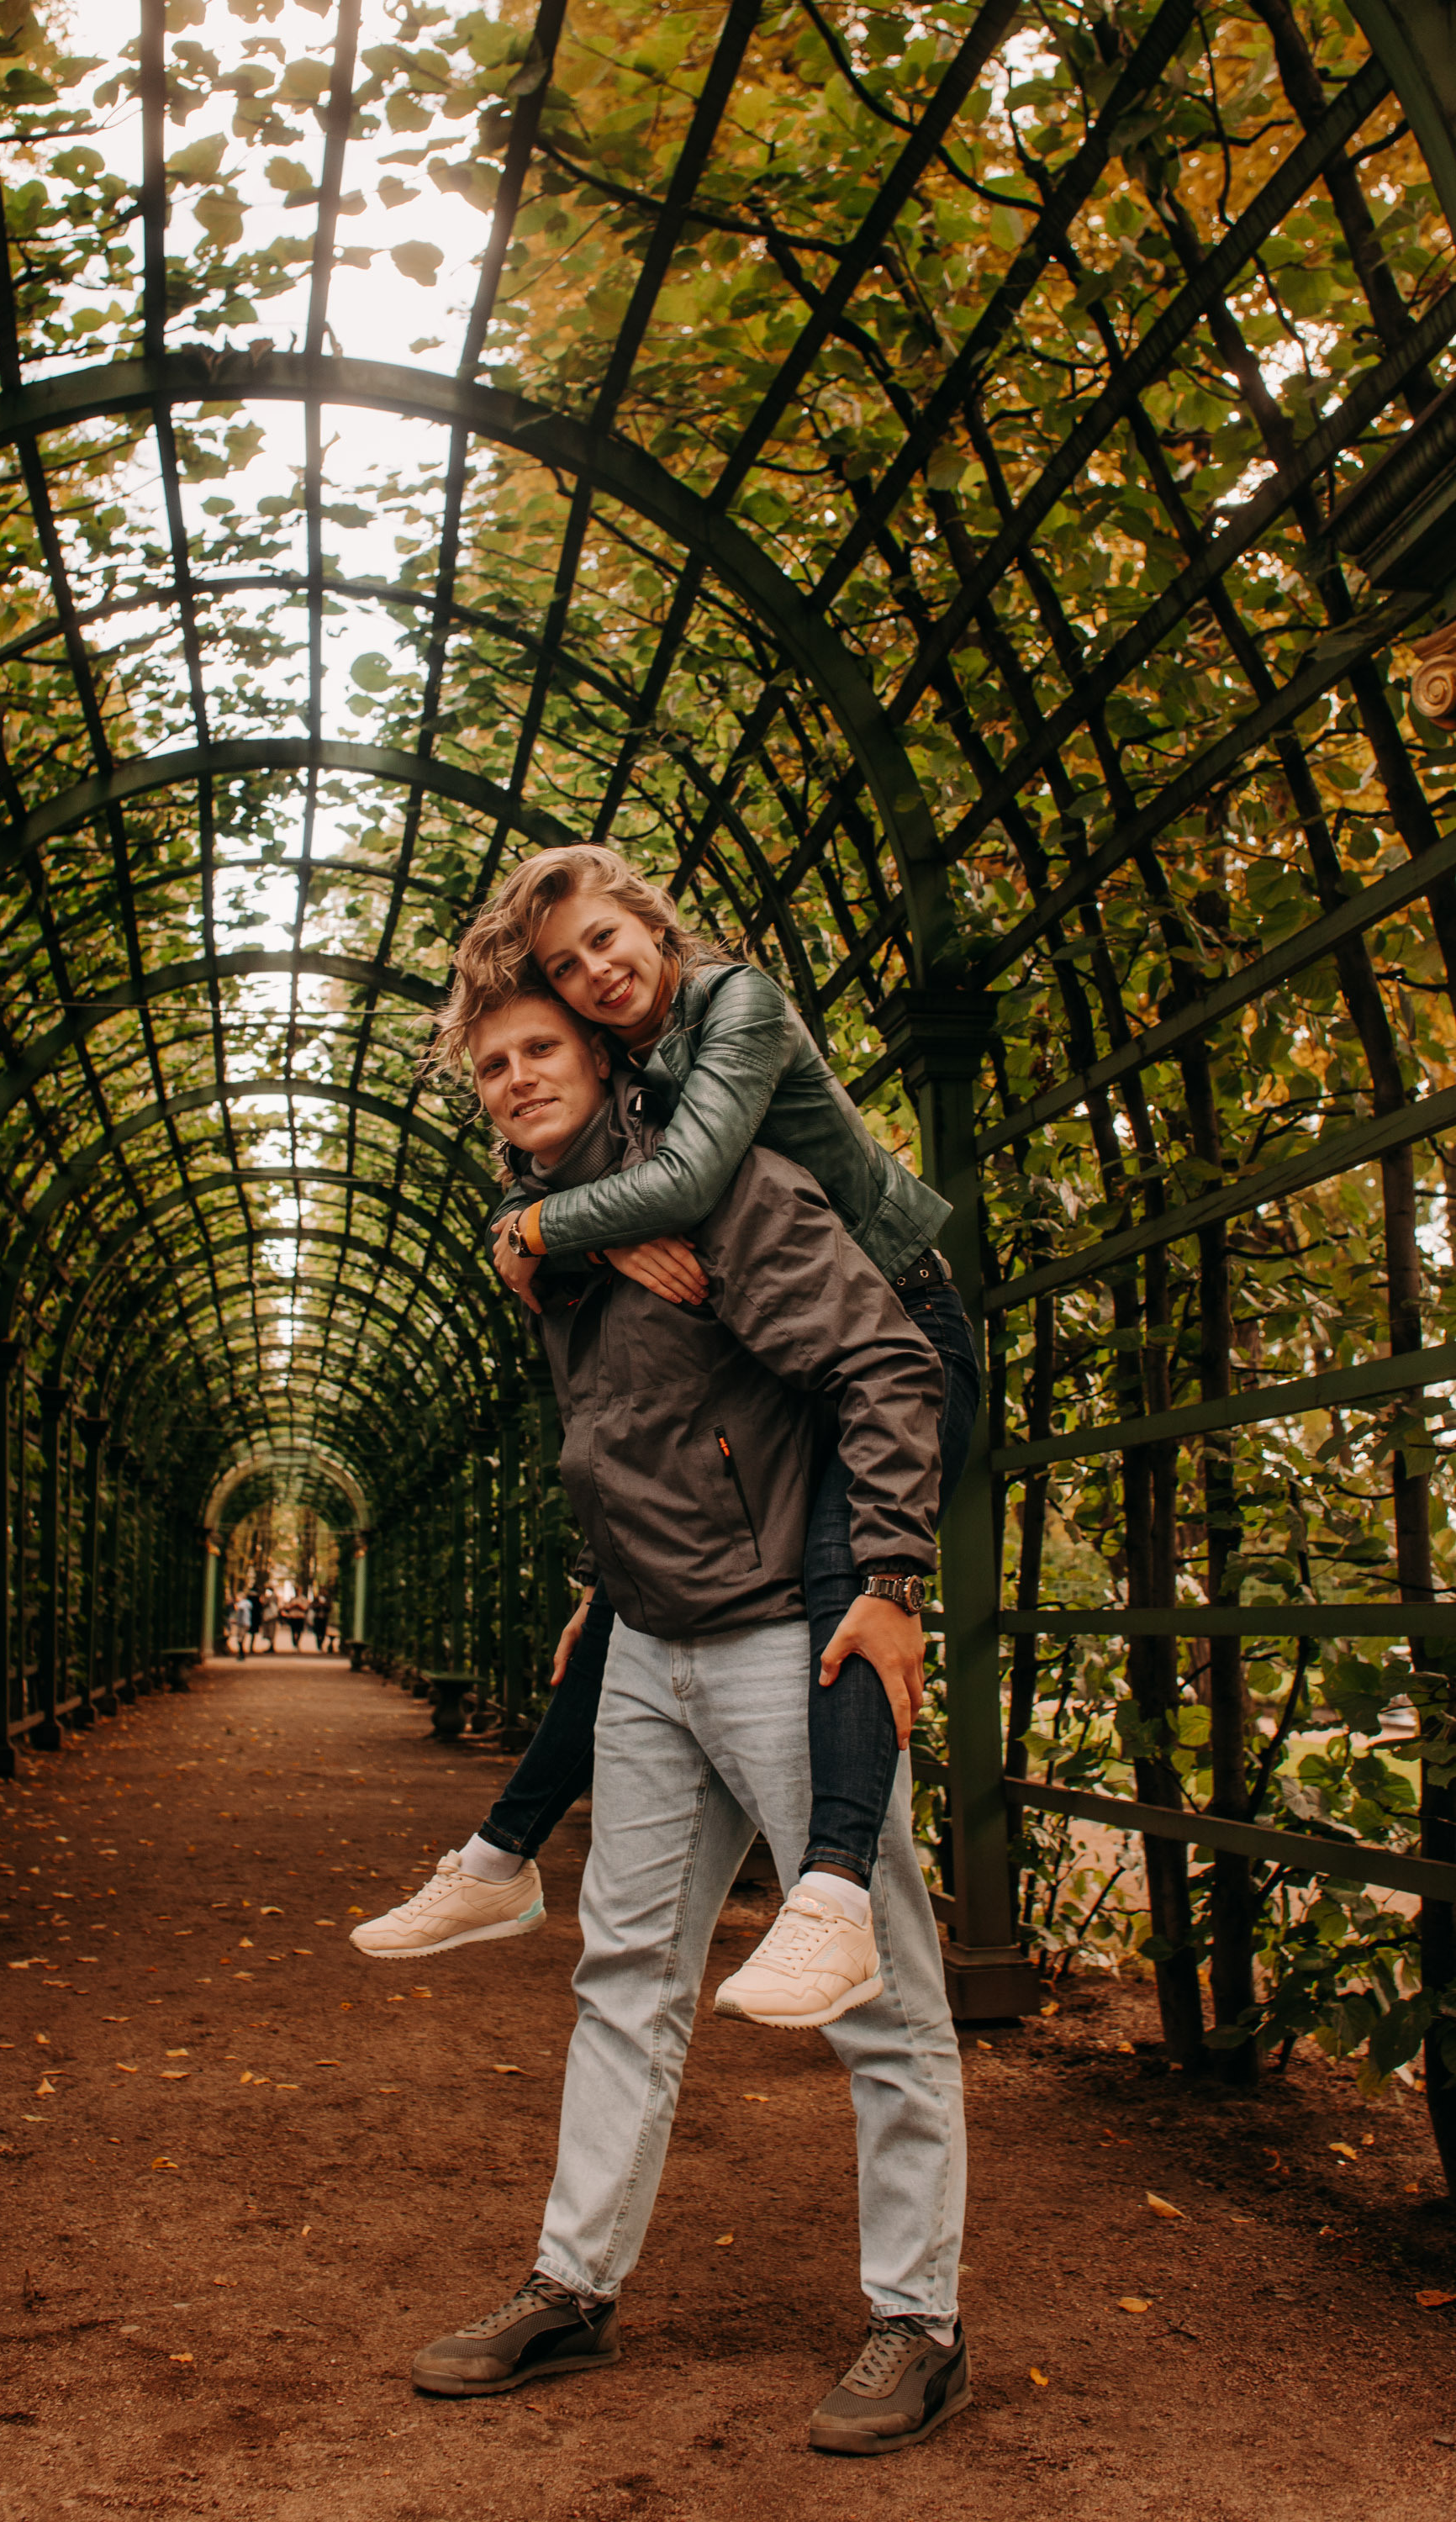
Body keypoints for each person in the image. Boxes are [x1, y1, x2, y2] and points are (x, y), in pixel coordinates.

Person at [403, 986, 968, 2451]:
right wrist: (608, 1581)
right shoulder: (554, 1238)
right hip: (654, 1643)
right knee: (623, 1974)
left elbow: (888, 1363)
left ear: (606, 1059)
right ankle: (571, 2286)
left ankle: (918, 2322)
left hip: (790, 1627)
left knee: (884, 2000)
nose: (519, 1077)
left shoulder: (733, 1193)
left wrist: (890, 1575)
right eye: (495, 1066)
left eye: (543, 1050)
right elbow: (628, 1431)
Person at [352, 847, 979, 2027]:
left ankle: (834, 1893)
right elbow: (617, 1364)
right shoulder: (626, 1069)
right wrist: (541, 1232)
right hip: (800, 1335)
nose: (591, 973)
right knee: (627, 1617)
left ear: (654, 920)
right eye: (560, 966)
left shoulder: (735, 1004)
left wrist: (543, 1229)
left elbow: (690, 1181)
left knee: (859, 1585)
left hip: (902, 1324)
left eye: (604, 941)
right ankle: (499, 1857)